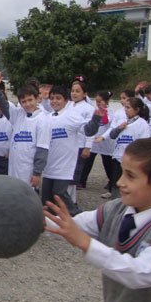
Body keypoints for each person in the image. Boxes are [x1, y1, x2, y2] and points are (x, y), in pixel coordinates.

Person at [44, 137, 151, 302]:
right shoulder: (115, 209)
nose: (119, 182)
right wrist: (29, 219)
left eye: (130, 176)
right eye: (122, 172)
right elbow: (72, 226)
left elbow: (139, 273)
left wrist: (85, 243)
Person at [41, 86, 102, 216]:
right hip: (49, 165)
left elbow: (88, 130)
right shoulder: (47, 117)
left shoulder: (72, 116)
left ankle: (76, 215)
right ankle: (50, 220)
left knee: (59, 192)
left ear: (66, 101)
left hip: (64, 164)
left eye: (58, 98)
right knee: (46, 196)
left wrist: (96, 120)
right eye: (52, 98)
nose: (54, 101)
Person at [0, 72, 50, 187]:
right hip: (14, 168)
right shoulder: (17, 114)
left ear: (37, 99)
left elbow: (42, 150)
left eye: (30, 100)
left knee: (27, 199)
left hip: (28, 170)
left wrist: (37, 173)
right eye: (23, 101)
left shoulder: (43, 119)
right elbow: (3, 105)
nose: (27, 104)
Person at [107, 98, 150, 199]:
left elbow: (144, 144)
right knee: (116, 184)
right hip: (118, 158)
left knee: (127, 186)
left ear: (137, 109)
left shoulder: (142, 124)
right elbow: (112, 135)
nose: (125, 110)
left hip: (131, 161)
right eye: (125, 107)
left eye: (128, 107)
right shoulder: (124, 122)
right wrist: (118, 129)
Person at [79, 91, 115, 190]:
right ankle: (82, 181)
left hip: (105, 142)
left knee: (107, 164)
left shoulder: (110, 111)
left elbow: (105, 121)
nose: (98, 104)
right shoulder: (95, 111)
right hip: (95, 140)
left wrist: (102, 113)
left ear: (106, 101)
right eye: (97, 102)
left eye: (100, 102)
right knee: (87, 162)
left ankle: (112, 182)